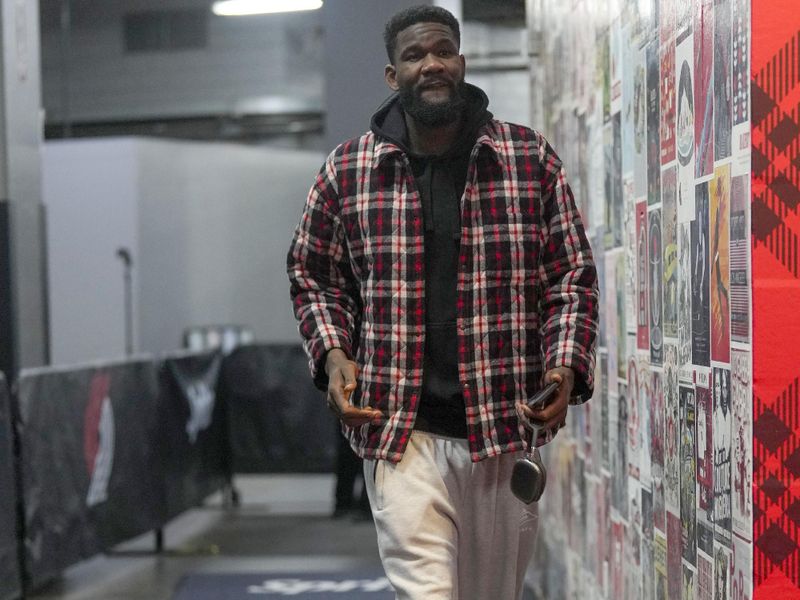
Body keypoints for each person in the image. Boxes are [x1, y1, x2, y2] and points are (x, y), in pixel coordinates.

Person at [287, 6, 598, 599]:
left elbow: (571, 277)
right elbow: (313, 273)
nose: (431, 63)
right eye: (414, 55)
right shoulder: (348, 172)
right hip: (403, 434)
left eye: (442, 50)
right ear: (391, 75)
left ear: (462, 61)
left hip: (504, 435)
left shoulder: (529, 161)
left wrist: (565, 365)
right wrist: (332, 354)